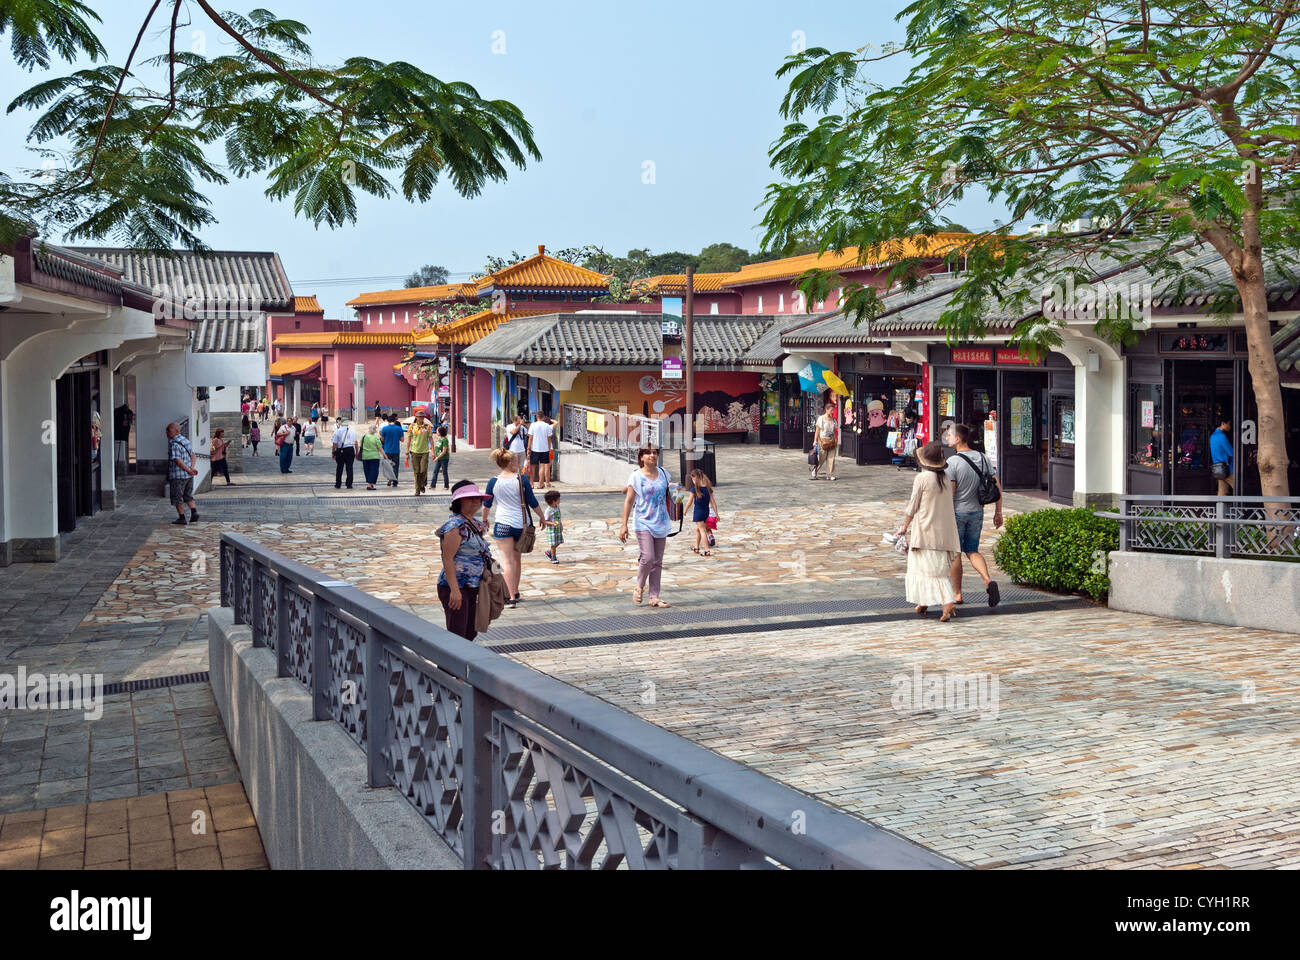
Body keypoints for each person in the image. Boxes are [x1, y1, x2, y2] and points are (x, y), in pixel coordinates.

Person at [895, 441, 960, 622]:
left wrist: (904, 526)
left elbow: (913, 506)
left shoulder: (922, 479)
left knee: (924, 568)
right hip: (944, 532)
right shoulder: (945, 478)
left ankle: (947, 602)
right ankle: (924, 601)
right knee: (935, 568)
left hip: (925, 531)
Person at [944, 423, 1003, 608]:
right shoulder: (983, 458)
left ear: (958, 439)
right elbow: (996, 486)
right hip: (977, 512)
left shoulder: (952, 462)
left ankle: (958, 594)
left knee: (955, 553)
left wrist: (942, 514)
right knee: (972, 550)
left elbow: (950, 492)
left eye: (949, 435)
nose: (946, 438)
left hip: (957, 513)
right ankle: (987, 579)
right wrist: (998, 512)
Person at [482, 448, 547, 608]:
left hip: (502, 524)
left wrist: (484, 520)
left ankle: (510, 596)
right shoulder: (521, 479)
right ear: (510, 463)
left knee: (507, 561)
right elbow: (532, 501)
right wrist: (542, 516)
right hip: (520, 525)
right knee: (517, 560)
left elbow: (486, 505)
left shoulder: (493, 482)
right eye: (516, 461)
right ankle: (515, 592)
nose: (518, 464)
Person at [437, 480, 495, 641]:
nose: (476, 501)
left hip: (473, 587)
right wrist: (455, 591)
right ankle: (447, 667)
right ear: (459, 501)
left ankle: (462, 666)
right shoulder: (454, 526)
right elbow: (447, 559)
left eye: (478, 498)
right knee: (457, 635)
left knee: (470, 633)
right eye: (470, 498)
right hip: (456, 587)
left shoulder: (474, 524)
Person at [618, 446, 673, 608]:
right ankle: (639, 586)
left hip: (661, 521)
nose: (652, 455)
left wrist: (676, 493)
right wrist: (623, 525)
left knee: (657, 561)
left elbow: (669, 492)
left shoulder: (664, 473)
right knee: (648, 557)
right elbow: (629, 501)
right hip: (643, 521)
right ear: (641, 457)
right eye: (648, 453)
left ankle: (654, 596)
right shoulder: (636, 476)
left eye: (655, 453)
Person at [166, 422, 199, 525]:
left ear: (176, 431)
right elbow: (193, 455)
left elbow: (178, 461)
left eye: (169, 430)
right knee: (187, 495)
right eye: (166, 431)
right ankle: (194, 512)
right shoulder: (186, 441)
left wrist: (189, 469)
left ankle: (182, 517)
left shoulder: (174, 444)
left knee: (177, 496)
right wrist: (191, 468)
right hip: (188, 476)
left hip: (178, 475)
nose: (167, 433)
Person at [685, 468, 718, 556]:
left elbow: (689, 502)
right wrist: (716, 514)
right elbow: (713, 502)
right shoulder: (708, 489)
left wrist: (685, 510)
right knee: (698, 529)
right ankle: (696, 547)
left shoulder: (694, 489)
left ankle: (707, 550)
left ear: (694, 478)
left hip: (698, 512)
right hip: (706, 512)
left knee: (702, 530)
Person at [406, 411, 433, 495]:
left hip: (425, 451)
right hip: (414, 451)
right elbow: (409, 440)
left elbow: (431, 439)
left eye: (423, 417)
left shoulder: (427, 427)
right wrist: (407, 451)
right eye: (420, 417)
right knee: (416, 472)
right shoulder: (411, 427)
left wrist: (433, 451)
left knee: (423, 470)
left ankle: (421, 484)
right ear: (416, 417)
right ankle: (417, 490)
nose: (421, 418)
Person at [526, 411, 555, 488]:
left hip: (534, 448)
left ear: (536, 417)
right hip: (545, 449)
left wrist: (528, 448)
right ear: (544, 417)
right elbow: (549, 439)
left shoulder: (533, 425)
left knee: (533, 467)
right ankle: (540, 484)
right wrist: (549, 448)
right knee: (542, 466)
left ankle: (531, 484)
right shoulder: (547, 426)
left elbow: (530, 438)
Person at [812, 401, 839, 480]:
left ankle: (830, 475)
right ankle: (815, 470)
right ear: (826, 410)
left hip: (831, 441)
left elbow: (834, 430)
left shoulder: (833, 420)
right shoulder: (821, 418)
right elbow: (817, 430)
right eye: (831, 410)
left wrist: (836, 439)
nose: (832, 412)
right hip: (823, 440)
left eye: (833, 410)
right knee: (822, 458)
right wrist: (815, 441)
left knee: (831, 458)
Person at [331, 417, 359, 489]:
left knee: (339, 468)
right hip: (350, 450)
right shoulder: (352, 431)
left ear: (341, 424)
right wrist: (357, 452)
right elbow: (356, 443)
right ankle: (349, 484)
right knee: (349, 468)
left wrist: (333, 452)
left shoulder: (337, 431)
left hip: (340, 450)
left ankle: (338, 483)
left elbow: (334, 443)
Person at [1211, 415, 1234, 496]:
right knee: (1240, 488)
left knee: (1222, 493)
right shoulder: (1222, 436)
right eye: (1229, 424)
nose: (1230, 426)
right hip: (1228, 469)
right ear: (1223, 423)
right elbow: (1231, 452)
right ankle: (1242, 508)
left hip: (1218, 469)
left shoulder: (1213, 436)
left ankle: (1220, 509)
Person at [380, 414, 404, 486]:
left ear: (388, 421)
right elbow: (402, 440)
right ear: (395, 420)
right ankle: (395, 481)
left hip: (387, 450)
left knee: (388, 466)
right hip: (396, 450)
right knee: (395, 466)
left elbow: (382, 439)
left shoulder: (384, 429)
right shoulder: (399, 429)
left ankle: (389, 478)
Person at [360, 423, 384, 490]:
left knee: (367, 470)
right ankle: (370, 485)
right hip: (374, 457)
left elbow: (360, 446)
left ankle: (369, 483)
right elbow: (380, 448)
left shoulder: (364, 437)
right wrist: (385, 455)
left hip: (365, 456)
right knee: (374, 470)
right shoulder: (376, 438)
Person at [543, 489, 563, 564]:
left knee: (559, 542)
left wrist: (561, 524)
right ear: (553, 501)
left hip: (557, 529)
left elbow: (559, 517)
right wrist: (552, 523)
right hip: (552, 530)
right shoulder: (548, 510)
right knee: (553, 545)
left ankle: (549, 552)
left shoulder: (557, 507)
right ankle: (553, 557)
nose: (560, 500)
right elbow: (545, 520)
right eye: (558, 499)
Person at [431, 425, 451, 490]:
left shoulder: (445, 440)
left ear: (440, 432)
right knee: (435, 471)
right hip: (438, 458)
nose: (436, 432)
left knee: (444, 472)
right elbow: (437, 449)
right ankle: (432, 485)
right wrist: (434, 455)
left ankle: (446, 486)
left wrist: (437, 458)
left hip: (444, 459)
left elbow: (444, 451)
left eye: (437, 431)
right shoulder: (439, 439)